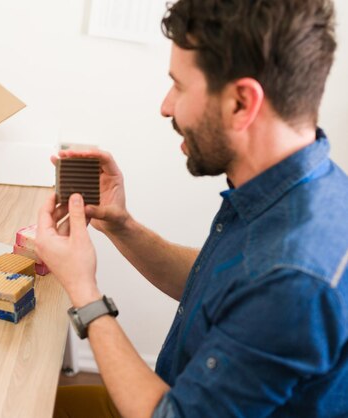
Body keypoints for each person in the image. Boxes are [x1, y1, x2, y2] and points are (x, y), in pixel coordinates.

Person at [36, 0, 348, 417]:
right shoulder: (299, 188)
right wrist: (121, 224)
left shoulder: (293, 279)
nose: (166, 106)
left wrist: (83, 290)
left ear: (241, 103)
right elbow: (216, 286)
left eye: (179, 86)